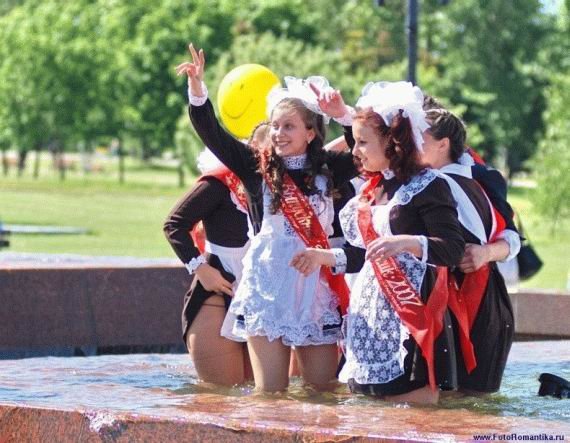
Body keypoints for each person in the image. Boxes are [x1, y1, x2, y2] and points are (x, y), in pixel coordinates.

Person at [177, 44, 360, 392]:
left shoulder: (328, 167)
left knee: (322, 394)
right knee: (270, 396)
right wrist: (198, 89)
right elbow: (212, 133)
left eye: (288, 126)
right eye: (275, 126)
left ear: (310, 132)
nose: (278, 134)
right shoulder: (255, 167)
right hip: (268, 290)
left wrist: (344, 115)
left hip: (313, 289)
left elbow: (364, 152)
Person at [291, 81, 466, 404]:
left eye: (362, 142)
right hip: (369, 314)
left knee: (413, 416)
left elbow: (453, 249)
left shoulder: (428, 184)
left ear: (393, 143)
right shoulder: (373, 189)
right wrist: (323, 256)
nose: (354, 151)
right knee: (365, 410)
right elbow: (363, 254)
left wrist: (408, 243)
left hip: (412, 314)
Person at [420, 107, 519, 393]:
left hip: (477, 298)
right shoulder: (419, 181)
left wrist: (485, 253)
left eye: (418, 135)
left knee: (470, 404)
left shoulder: (480, 178)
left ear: (443, 143)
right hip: (443, 299)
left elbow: (510, 237)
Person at [163, 123, 269, 386]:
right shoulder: (221, 181)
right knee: (222, 396)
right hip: (217, 295)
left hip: (263, 301)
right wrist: (200, 269)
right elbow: (174, 224)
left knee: (262, 398)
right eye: (261, 147)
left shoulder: (289, 188)